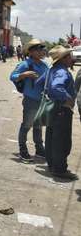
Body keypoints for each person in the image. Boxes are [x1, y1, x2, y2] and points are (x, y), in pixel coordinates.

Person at [43, 46, 78, 181]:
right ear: (63, 59)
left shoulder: (52, 70)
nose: (72, 58)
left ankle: (52, 165)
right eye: (69, 56)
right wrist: (68, 99)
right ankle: (59, 169)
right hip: (62, 109)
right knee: (61, 141)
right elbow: (56, 87)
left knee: (51, 137)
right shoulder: (62, 72)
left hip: (52, 108)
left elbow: (41, 82)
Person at [9, 39, 48, 162]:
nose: (42, 51)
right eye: (39, 49)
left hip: (42, 100)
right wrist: (24, 75)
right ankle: (23, 150)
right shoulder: (25, 64)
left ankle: (39, 149)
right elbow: (12, 76)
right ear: (31, 52)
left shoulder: (44, 64)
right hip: (31, 100)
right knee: (26, 125)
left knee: (38, 126)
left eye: (42, 49)